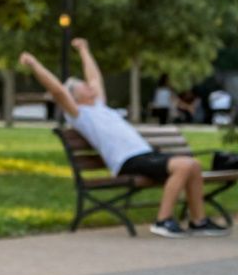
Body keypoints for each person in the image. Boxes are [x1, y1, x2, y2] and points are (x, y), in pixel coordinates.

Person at [19, 39, 229, 239]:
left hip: (144, 155)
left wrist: (84, 50)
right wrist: (34, 64)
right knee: (184, 165)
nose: (89, 85)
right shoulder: (79, 114)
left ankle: (198, 221)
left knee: (193, 165)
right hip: (127, 160)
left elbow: (95, 77)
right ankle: (162, 220)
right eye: (83, 85)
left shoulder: (99, 106)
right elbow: (57, 90)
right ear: (74, 95)